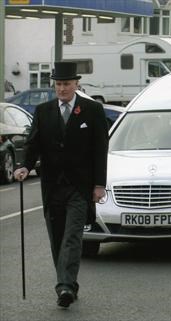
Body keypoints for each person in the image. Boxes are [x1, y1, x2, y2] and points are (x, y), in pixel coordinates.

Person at [13, 62, 109, 309]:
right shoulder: (43, 111)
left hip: (79, 187)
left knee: (72, 237)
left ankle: (64, 286)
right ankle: (69, 284)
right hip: (52, 186)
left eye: (67, 84)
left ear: (76, 84)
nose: (62, 89)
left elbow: (100, 150)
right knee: (56, 238)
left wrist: (99, 184)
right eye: (58, 84)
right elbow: (33, 144)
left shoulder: (92, 109)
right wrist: (24, 165)